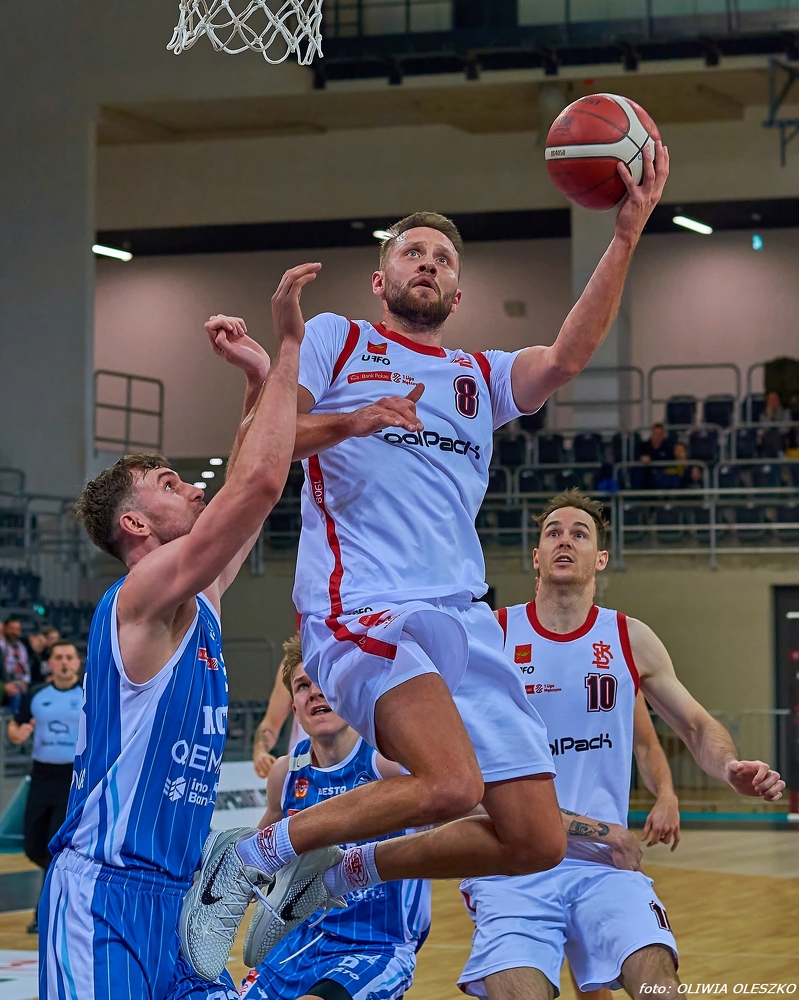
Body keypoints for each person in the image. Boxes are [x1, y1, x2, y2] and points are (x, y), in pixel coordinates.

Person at [182, 143, 671, 979]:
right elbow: (265, 443)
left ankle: (343, 873)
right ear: (381, 279)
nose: (428, 264)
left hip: (462, 618)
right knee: (448, 785)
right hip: (362, 606)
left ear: (457, 291)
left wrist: (624, 232)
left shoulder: (479, 375)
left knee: (533, 836)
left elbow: (564, 357)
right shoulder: (336, 339)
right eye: (412, 251)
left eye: (443, 258)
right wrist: (356, 420)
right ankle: (250, 854)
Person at [40, 281, 308, 1000]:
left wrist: (257, 384)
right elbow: (255, 488)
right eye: (169, 484)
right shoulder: (141, 596)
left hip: (181, 902)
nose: (193, 489)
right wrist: (288, 349)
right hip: (105, 899)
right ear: (135, 525)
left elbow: (246, 499)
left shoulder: (200, 601)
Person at [457, 489, 784, 1000]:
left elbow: (696, 727)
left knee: (658, 985)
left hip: (604, 867)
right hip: (514, 866)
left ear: (601, 558)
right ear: (536, 557)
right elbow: (460, 771)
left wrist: (730, 766)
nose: (566, 541)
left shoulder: (630, 639)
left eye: (580, 533)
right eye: (553, 533)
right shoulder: (490, 635)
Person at [240, 647, 430, 998]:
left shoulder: (388, 762)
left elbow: (465, 803)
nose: (314, 692)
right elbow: (254, 857)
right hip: (295, 944)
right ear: (295, 709)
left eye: (323, 681)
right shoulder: (286, 773)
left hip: (373, 945)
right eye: (302, 686)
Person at [7, 639, 83, 934]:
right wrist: (18, 733)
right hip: (40, 777)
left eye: (69, 657)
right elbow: (15, 727)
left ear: (77, 663)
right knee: (33, 845)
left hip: (72, 779)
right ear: (50, 663)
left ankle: (45, 912)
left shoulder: (88, 693)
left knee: (55, 845)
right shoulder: (37, 694)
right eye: (59, 657)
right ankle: (62, 883)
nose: (64, 662)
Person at [253, 633, 308, 779]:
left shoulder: (357, 654)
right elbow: (270, 724)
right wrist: (260, 751)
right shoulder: (295, 658)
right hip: (303, 774)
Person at [0, 616, 31, 709]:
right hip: (5, 680)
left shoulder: (22, 647)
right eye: (11, 629)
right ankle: (12, 716)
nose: (14, 632)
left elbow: (25, 667)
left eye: (17, 629)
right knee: (15, 691)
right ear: (5, 629)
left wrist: (25, 682)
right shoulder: (1, 646)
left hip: (18, 679)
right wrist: (7, 684)